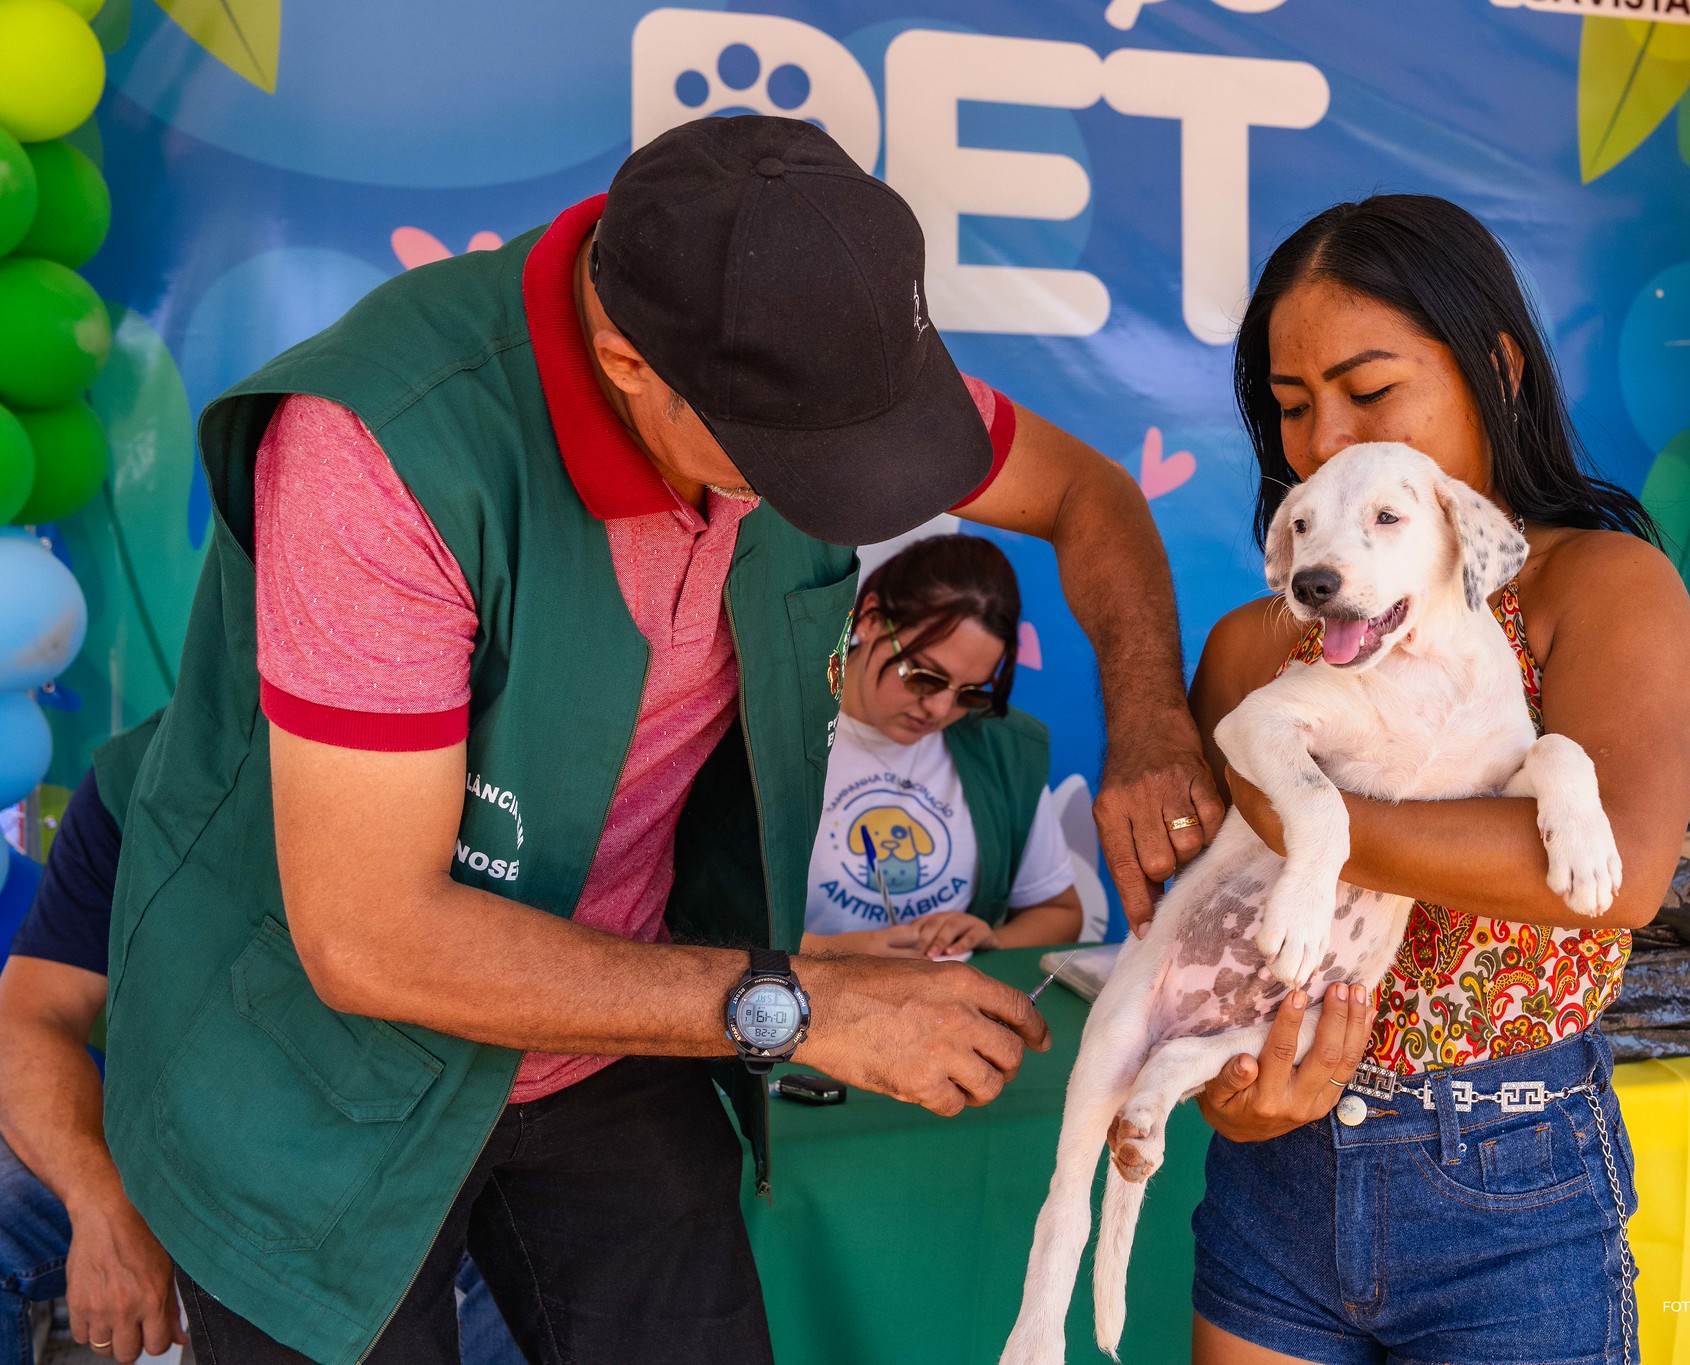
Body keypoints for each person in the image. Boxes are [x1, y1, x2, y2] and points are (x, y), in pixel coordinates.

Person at [102, 115, 1224, 1365]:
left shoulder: (802, 358)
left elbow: (1088, 496)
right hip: (312, 1074)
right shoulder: (378, 450)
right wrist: (802, 1006)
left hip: (611, 1021)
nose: (846, 491)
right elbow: (371, 936)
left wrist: (1148, 723)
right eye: (798, 470)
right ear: (627, 361)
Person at [1169, 196, 1690, 1365]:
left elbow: (1612, 875)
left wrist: (1305, 812)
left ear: (1494, 368)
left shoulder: (1594, 587)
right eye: (1292, 407)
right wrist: (1222, 1081)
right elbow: (1213, 923)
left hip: (1509, 1179)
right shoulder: (1251, 643)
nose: (1318, 441)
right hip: (1274, 1178)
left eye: (1368, 391)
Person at [0, 716, 524, 1365]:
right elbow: (27, 1019)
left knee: (515, 1288)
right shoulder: (142, 774)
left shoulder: (463, 784)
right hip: (169, 1143)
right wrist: (100, 1201)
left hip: (393, 1158)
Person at [801, 535, 1083, 960]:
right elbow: (699, 932)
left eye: (970, 692)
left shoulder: (998, 747)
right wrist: (837, 953)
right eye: (924, 676)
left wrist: (990, 940)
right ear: (870, 618)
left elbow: (1060, 912)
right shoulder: (775, 730)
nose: (940, 708)